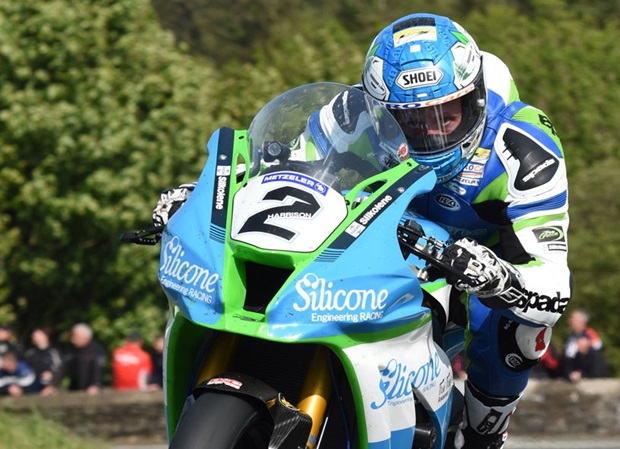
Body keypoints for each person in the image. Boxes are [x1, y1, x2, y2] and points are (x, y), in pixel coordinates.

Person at [151, 13, 571, 449]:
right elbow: (283, 171)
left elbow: (553, 279)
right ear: (379, 107)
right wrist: (211, 198)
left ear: (476, 101)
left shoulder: (523, 146)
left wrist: (497, 276)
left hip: (479, 254)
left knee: (519, 328)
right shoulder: (353, 113)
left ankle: (486, 432)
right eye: (408, 120)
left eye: (445, 115)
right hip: (377, 239)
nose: (429, 134)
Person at [60, 323, 107, 394]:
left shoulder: (97, 349)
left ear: (85, 337)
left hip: (92, 391)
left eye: (75, 336)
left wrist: (95, 384)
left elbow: (98, 368)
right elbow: (63, 367)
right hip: (75, 391)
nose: (72, 339)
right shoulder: (71, 350)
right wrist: (52, 385)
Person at [562, 309, 608, 381]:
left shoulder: (589, 332)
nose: (570, 321)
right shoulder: (569, 335)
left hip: (588, 371)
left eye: (573, 319)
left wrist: (587, 344)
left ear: (581, 322)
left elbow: (597, 345)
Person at [24, 327, 63, 396]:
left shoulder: (53, 352)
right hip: (33, 388)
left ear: (45, 336)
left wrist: (52, 375)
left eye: (37, 335)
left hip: (51, 386)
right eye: (33, 336)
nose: (34, 337)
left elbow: (59, 368)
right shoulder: (30, 353)